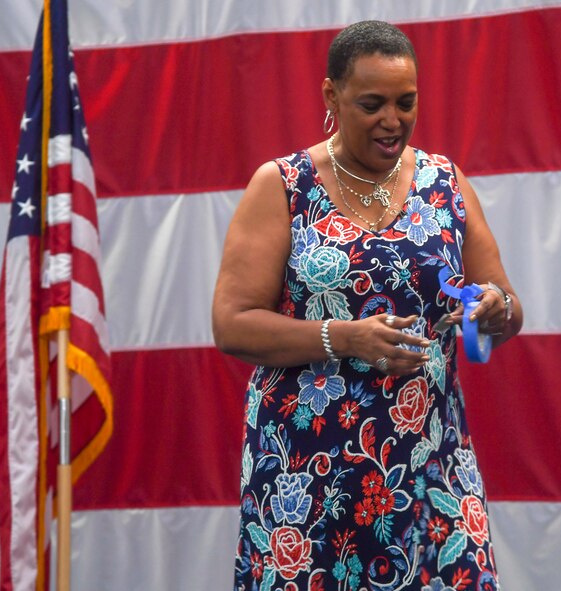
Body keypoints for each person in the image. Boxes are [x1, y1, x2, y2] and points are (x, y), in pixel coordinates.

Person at [213, 20, 522, 591]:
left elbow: (503, 299)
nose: (393, 120)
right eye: (372, 104)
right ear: (332, 95)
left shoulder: (444, 181)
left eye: (407, 103)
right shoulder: (282, 185)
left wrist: (493, 307)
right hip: (306, 474)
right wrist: (345, 338)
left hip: (431, 464)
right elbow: (232, 324)